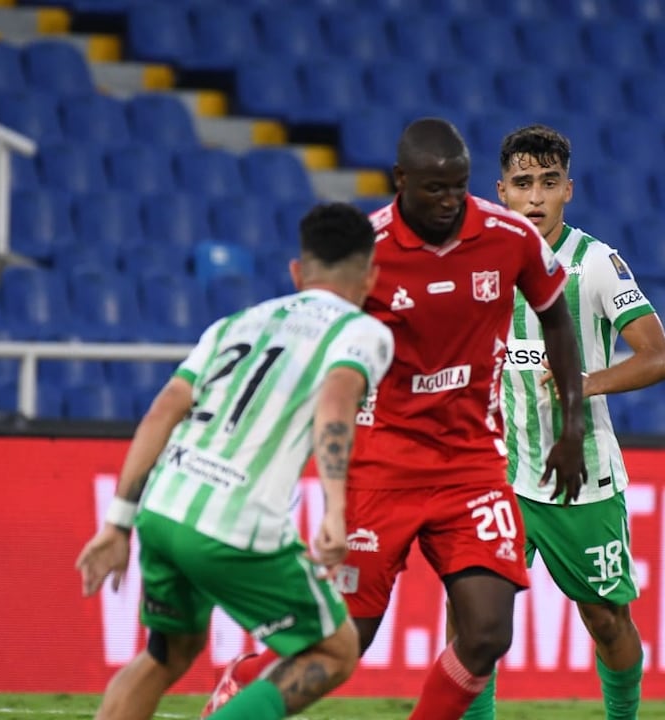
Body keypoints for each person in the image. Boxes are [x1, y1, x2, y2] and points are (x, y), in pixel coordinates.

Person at [206, 117, 588, 720]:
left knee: (489, 634)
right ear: (400, 180)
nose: (449, 202)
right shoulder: (365, 250)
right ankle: (248, 681)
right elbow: (317, 345)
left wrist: (574, 427)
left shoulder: (509, 236)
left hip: (471, 465)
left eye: (459, 187)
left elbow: (557, 319)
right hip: (380, 465)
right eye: (435, 188)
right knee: (344, 644)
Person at [75, 201, 395, 720]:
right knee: (335, 651)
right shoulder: (363, 333)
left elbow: (163, 410)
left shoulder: (236, 323)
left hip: (162, 510)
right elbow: (337, 404)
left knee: (166, 653)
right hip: (234, 528)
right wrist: (336, 510)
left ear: (297, 272)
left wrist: (117, 525)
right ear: (371, 275)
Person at [456, 124, 665, 720]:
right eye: (522, 184)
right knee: (476, 621)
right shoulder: (476, 260)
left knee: (606, 619)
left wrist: (586, 382)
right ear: (501, 191)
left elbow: (658, 357)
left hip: (581, 478)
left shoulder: (595, 264)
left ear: (568, 190)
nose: (535, 198)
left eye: (548, 183)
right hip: (495, 472)